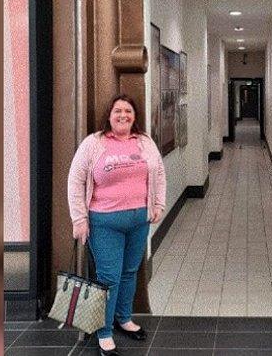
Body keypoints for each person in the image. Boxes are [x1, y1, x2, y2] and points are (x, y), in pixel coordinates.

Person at [68, 94, 167, 356]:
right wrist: (79, 219)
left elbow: (158, 174)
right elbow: (75, 181)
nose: (123, 115)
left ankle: (124, 318)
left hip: (139, 221)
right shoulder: (94, 143)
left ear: (134, 116)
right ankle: (103, 331)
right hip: (104, 223)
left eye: (128, 111)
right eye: (117, 111)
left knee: (130, 272)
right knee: (108, 278)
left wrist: (158, 205)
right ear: (109, 116)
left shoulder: (144, 142)